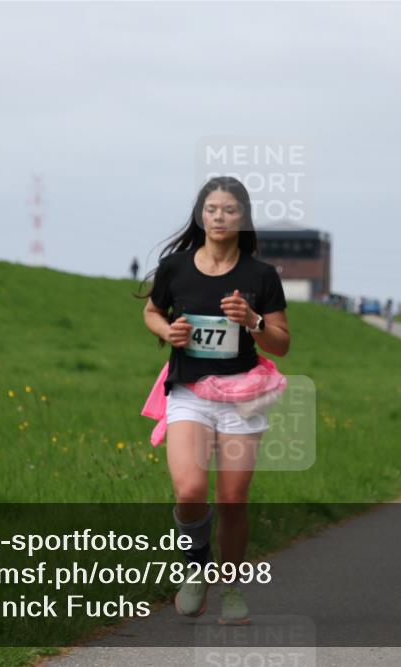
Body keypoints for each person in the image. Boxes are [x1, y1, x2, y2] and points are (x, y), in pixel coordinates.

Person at [139, 176, 290, 625]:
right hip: (189, 392)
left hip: (242, 397)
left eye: (228, 210)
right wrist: (168, 331)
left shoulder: (261, 276)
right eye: (211, 209)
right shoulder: (176, 268)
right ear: (200, 215)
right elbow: (151, 311)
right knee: (188, 491)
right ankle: (196, 566)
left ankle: (233, 587)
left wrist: (254, 320)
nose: (219, 217)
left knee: (232, 500)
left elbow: (281, 344)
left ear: (242, 218)